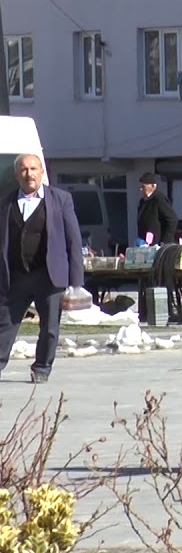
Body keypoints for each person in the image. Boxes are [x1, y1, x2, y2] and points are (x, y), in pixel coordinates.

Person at [0, 155, 84, 384]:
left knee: (50, 327)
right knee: (5, 324)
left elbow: (73, 240)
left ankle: (42, 368)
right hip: (16, 276)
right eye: (24, 170)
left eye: (33, 168)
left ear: (41, 172)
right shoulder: (6, 203)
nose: (29, 174)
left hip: (49, 276)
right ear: (17, 175)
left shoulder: (60, 199)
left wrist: (76, 281)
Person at [136, 173, 177, 245]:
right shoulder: (143, 201)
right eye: (140, 186)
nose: (141, 189)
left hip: (157, 244)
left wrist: (165, 241)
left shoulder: (159, 199)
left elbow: (172, 220)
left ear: (153, 186)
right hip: (145, 243)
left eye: (143, 187)